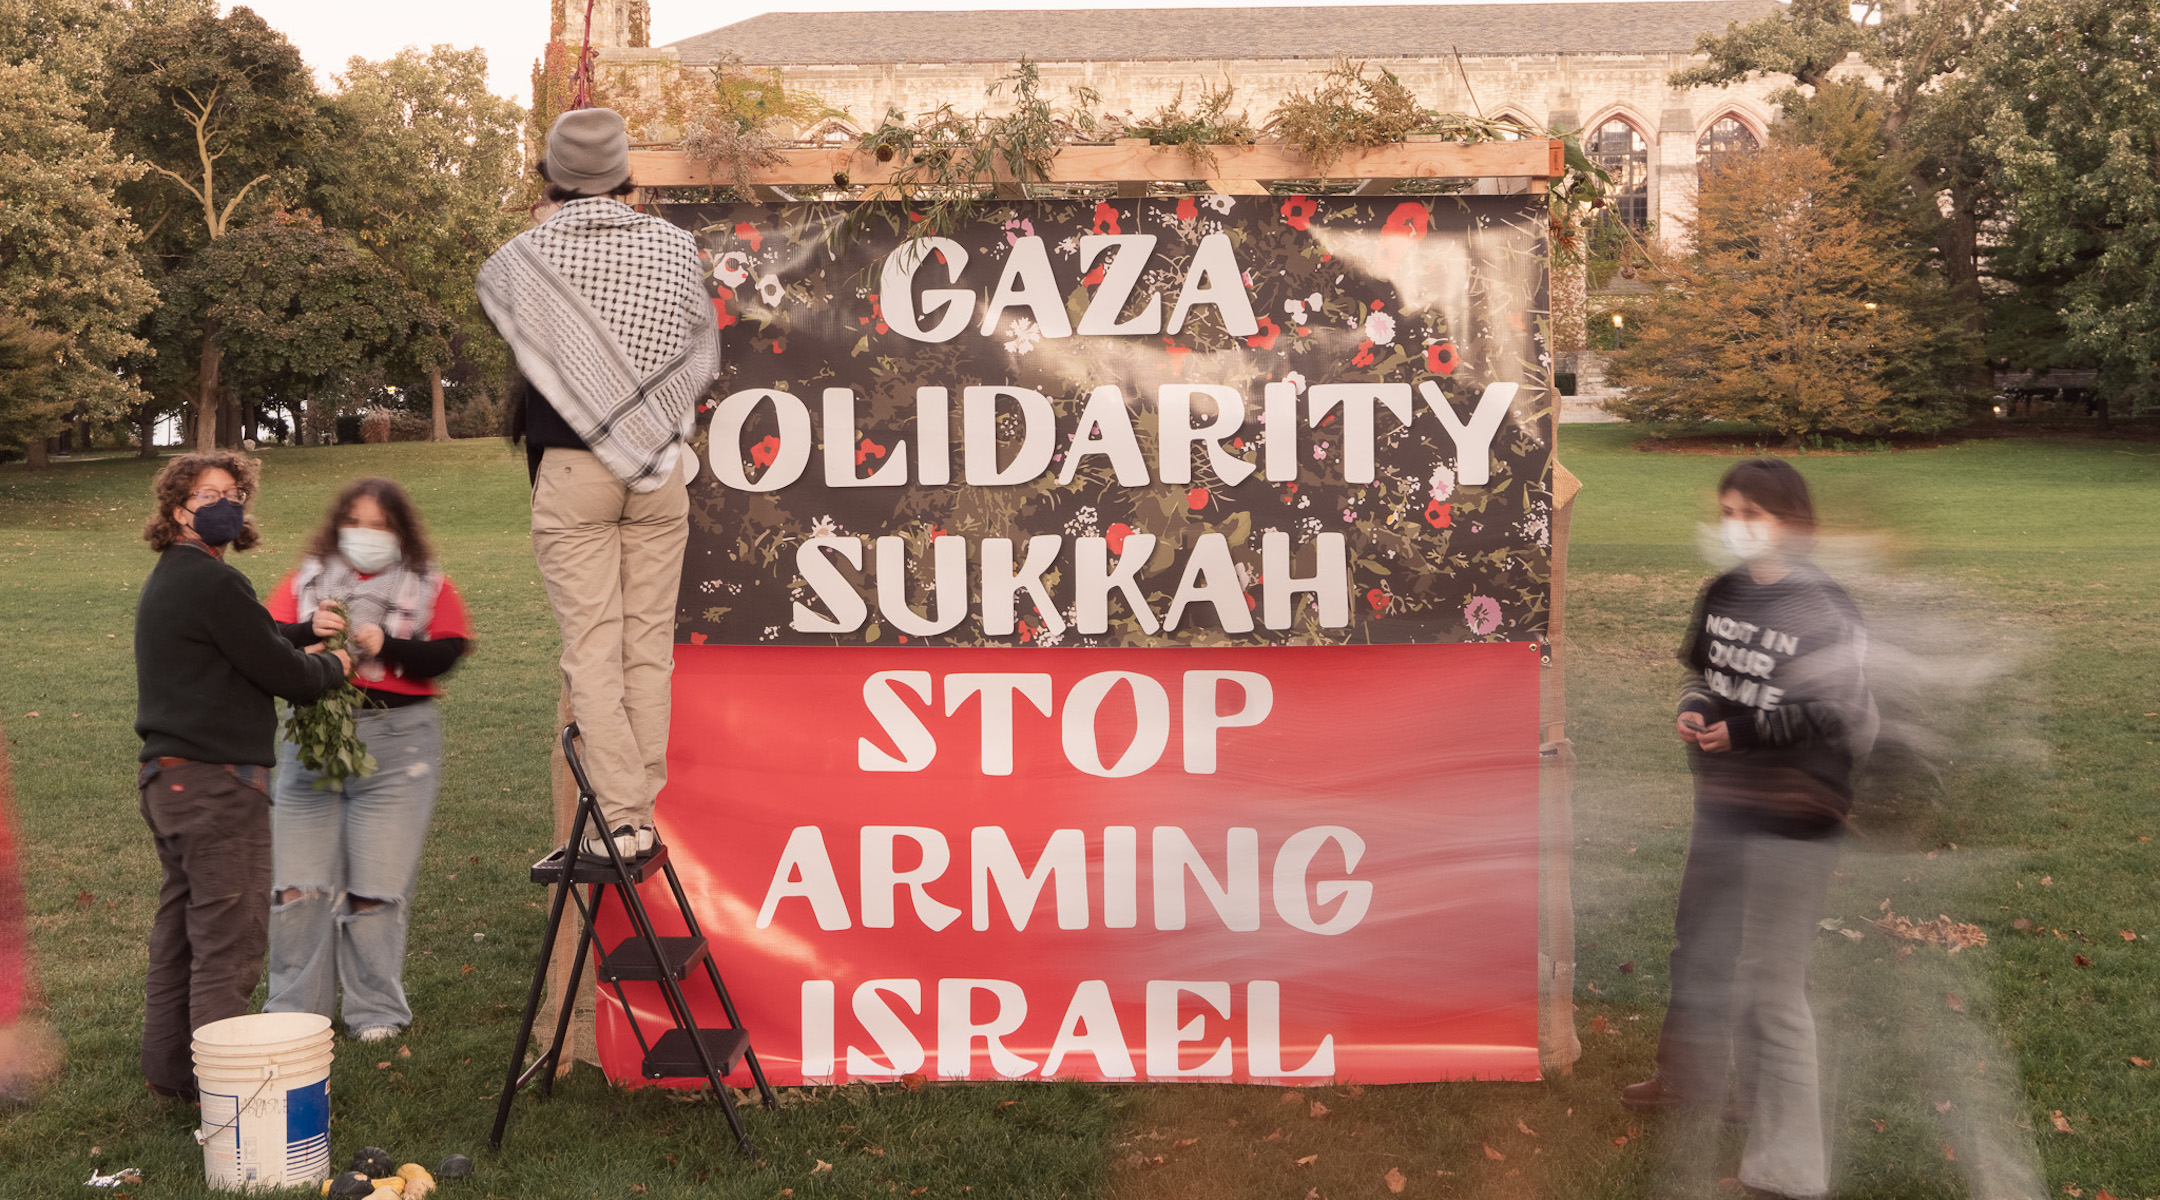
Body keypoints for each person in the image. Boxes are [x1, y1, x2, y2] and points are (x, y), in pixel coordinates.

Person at [1621, 459, 1877, 1200]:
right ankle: (1689, 1079)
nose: (1737, 524)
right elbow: (1701, 671)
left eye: (1754, 513)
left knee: (1772, 985)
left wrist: (1746, 732)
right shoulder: (1723, 591)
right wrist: (1696, 708)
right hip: (1726, 805)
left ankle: (1785, 1170)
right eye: (1729, 510)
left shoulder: (1825, 606)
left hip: (1795, 814)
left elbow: (1840, 716)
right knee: (1697, 941)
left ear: (1792, 521)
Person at [477, 106, 718, 860]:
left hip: (574, 470)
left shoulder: (522, 258)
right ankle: (640, 809)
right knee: (648, 646)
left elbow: (519, 330)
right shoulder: (675, 250)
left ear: (550, 179)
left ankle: (621, 818)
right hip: (659, 472)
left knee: (591, 649)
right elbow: (698, 356)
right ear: (627, 178)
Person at [134, 451, 352, 1101]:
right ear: (179, 510)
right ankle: (227, 1099)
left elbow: (248, 640)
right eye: (208, 494)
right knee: (227, 947)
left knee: (181, 937)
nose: (226, 503)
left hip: (170, 784)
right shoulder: (213, 582)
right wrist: (336, 664)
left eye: (233, 492)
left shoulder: (180, 578)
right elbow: (283, 675)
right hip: (217, 790)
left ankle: (172, 1073)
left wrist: (302, 629)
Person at [263, 478, 472, 1042]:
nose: (367, 534)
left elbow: (448, 651)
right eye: (356, 522)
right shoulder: (306, 579)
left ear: (401, 532)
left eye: (381, 525)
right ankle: (292, 1011)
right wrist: (307, 631)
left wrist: (390, 647)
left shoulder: (428, 583)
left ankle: (375, 1012)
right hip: (312, 741)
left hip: (398, 746)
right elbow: (263, 639)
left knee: (374, 889)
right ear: (337, 527)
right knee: (296, 888)